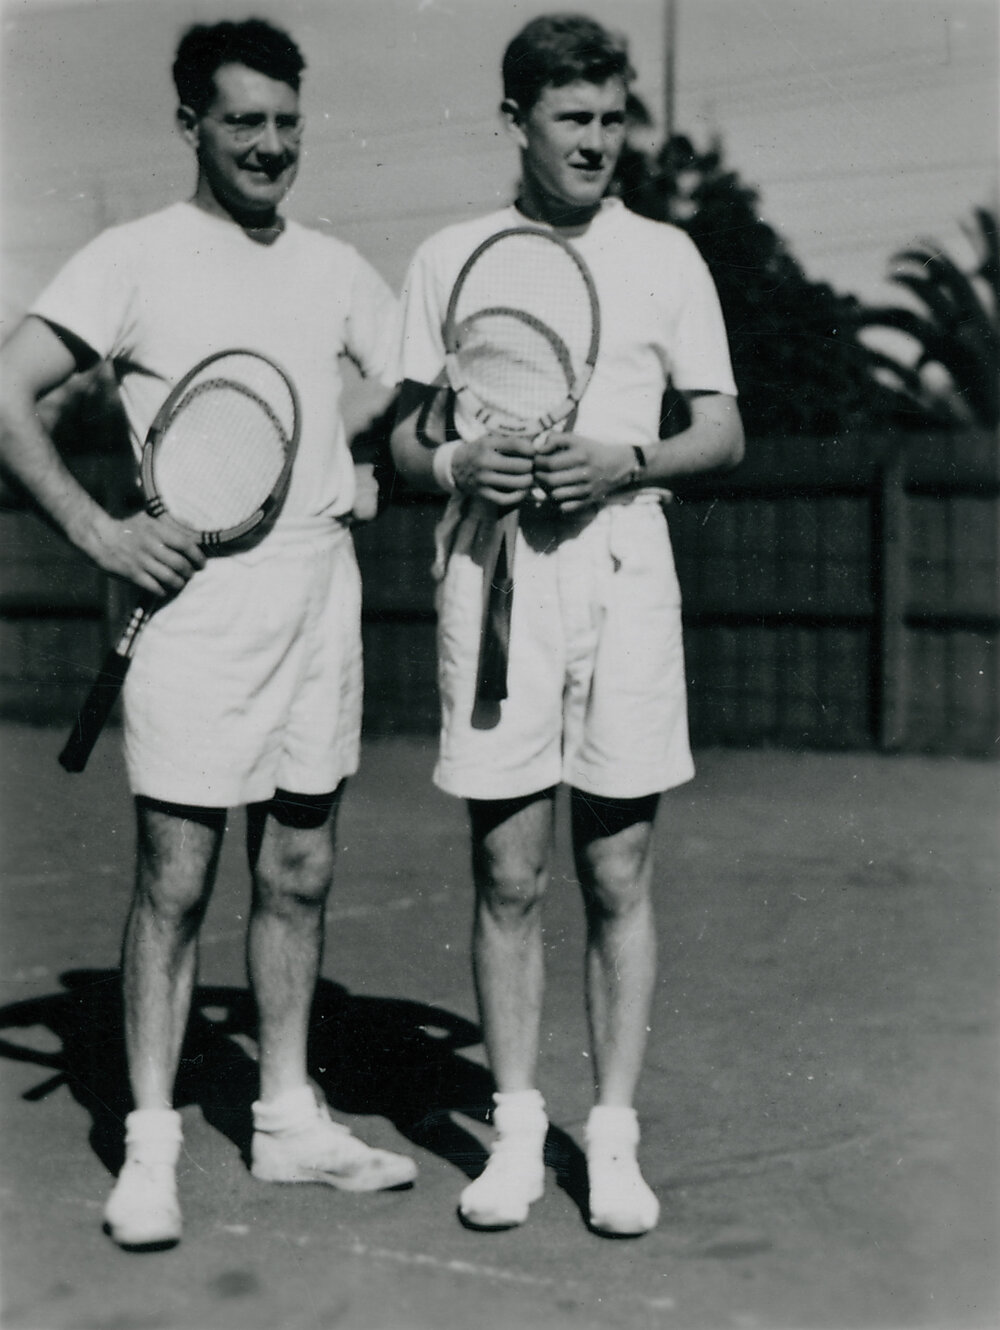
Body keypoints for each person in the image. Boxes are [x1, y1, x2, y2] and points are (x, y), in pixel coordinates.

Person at [0, 19, 416, 1251]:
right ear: (191, 126)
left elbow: (413, 381)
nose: (271, 145)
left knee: (298, 872)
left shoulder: (338, 268)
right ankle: (149, 1145)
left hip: (318, 602)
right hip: (193, 615)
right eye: (244, 122)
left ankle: (286, 1118)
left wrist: (369, 458)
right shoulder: (131, 259)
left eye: (287, 122)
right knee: (174, 883)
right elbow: (5, 392)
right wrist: (100, 532)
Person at [391, 13, 744, 1236]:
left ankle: (614, 1138)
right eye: (571, 119)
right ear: (516, 121)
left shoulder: (668, 255)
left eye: (610, 119)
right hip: (493, 577)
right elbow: (404, 435)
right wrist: (456, 464)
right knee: (507, 869)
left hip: (624, 567)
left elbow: (721, 432)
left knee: (616, 867)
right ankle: (515, 1136)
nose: (596, 142)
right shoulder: (450, 257)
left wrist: (624, 460)